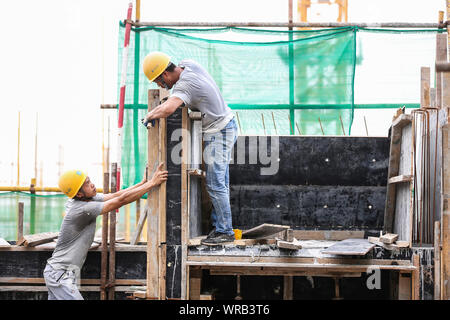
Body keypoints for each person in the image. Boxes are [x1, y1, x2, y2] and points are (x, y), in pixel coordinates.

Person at [142, 52, 238, 245]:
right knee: (220, 182)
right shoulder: (189, 65)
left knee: (215, 183)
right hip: (225, 126)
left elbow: (169, 108)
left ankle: (225, 232)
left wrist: (149, 115)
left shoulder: (185, 86)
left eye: (159, 82)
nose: (160, 86)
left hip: (219, 132)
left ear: (165, 74)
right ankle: (220, 227)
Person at [43, 163, 168, 300]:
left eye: (89, 180)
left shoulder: (86, 199)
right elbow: (121, 200)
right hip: (60, 274)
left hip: (61, 273)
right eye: (86, 184)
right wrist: (152, 184)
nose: (92, 184)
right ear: (78, 194)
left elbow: (117, 195)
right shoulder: (81, 209)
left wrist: (143, 183)